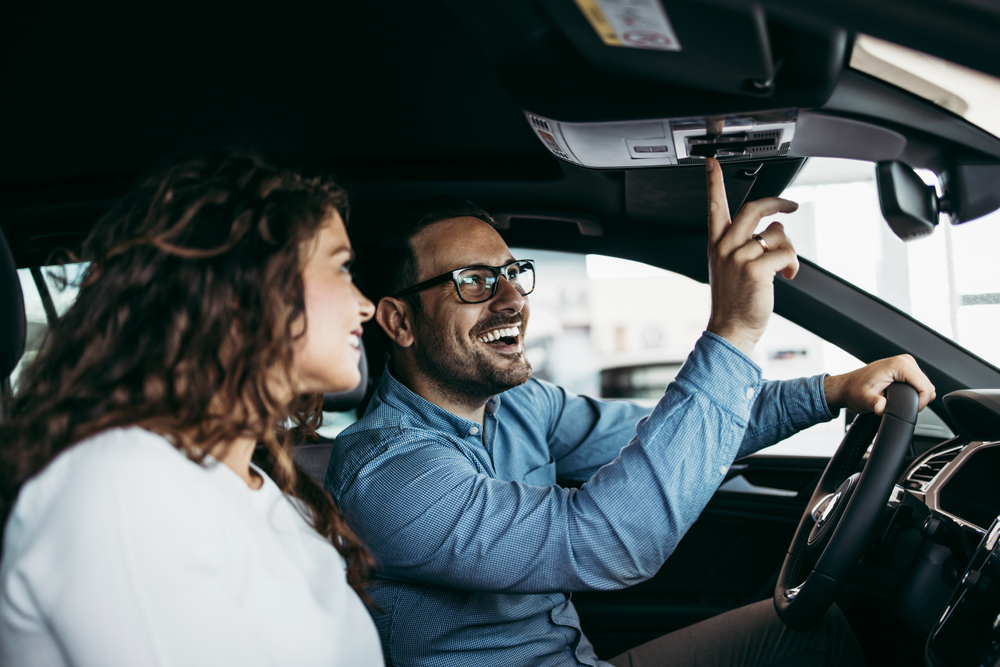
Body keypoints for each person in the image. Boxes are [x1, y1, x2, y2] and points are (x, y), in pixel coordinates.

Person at [327, 157, 936, 667]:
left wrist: (831, 390)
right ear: (399, 321)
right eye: (474, 281)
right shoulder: (386, 474)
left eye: (512, 274)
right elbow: (606, 543)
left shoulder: (518, 405)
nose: (512, 298)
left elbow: (671, 436)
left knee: (814, 633)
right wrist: (730, 331)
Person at [0, 151, 384, 666]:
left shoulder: (265, 488)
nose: (366, 305)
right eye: (341, 267)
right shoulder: (122, 483)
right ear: (242, 288)